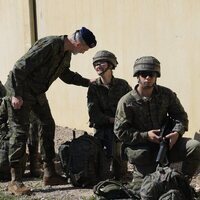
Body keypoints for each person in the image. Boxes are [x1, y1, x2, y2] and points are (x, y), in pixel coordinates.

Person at [3, 26, 97, 195]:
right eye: (84, 49)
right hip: (21, 90)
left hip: (37, 92)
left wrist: (87, 82)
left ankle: (49, 173)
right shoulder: (50, 44)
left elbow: (65, 75)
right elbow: (19, 67)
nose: (84, 52)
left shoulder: (66, 53)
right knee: (19, 132)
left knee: (48, 125)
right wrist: (16, 95)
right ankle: (15, 181)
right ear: (78, 43)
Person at [114, 56, 200, 189]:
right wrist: (146, 136)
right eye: (144, 74)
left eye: (152, 74)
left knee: (194, 146)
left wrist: (177, 132)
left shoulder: (166, 94)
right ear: (137, 76)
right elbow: (120, 132)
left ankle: (182, 183)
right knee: (146, 191)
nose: (148, 78)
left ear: (156, 76)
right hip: (143, 149)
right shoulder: (126, 101)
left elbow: (180, 116)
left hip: (166, 143)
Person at [87, 50, 132, 180]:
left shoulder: (122, 85)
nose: (97, 66)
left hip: (120, 127)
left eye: (101, 62)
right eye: (95, 64)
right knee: (102, 155)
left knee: (119, 151)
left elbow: (132, 105)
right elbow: (94, 113)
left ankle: (120, 176)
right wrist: (112, 120)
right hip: (102, 126)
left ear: (111, 65)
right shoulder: (94, 87)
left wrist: (123, 121)